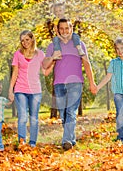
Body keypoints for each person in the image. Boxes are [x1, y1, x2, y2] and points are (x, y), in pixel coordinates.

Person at [43, 18, 97, 151]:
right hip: (59, 84)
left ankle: (66, 140)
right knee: (63, 114)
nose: (64, 31)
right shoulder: (52, 46)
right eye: (61, 29)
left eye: (67, 28)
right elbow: (44, 67)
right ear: (57, 30)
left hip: (76, 83)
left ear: (71, 29)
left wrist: (92, 82)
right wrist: (53, 57)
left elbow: (87, 64)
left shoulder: (79, 45)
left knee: (71, 111)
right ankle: (71, 139)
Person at [8, 30, 52, 148]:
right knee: (22, 117)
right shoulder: (18, 54)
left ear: (32, 39)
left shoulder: (40, 54)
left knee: (34, 118)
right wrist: (10, 90)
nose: (24, 42)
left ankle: (32, 143)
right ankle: (22, 142)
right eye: (22, 40)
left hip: (35, 91)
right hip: (20, 89)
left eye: (27, 39)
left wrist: (54, 62)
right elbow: (15, 72)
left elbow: (45, 72)